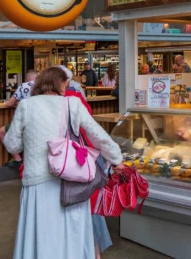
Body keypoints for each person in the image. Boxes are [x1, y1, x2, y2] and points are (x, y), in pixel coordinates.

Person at [3, 67, 123, 259]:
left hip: (37, 182)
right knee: (72, 234)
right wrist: (117, 158)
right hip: (72, 180)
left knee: (41, 235)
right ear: (60, 83)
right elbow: (97, 134)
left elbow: (12, 144)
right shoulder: (73, 104)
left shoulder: (26, 105)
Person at [58, 66, 113, 258]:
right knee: (88, 208)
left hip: (60, 161)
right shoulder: (75, 98)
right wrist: (114, 158)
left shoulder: (37, 101)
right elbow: (91, 128)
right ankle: (94, 252)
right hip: (82, 157)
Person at [0, 70, 38, 168]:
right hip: (39, 122)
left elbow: (9, 103)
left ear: (26, 79)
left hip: (25, 122)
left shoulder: (24, 86)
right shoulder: (43, 87)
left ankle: (17, 159)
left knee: (1, 132)